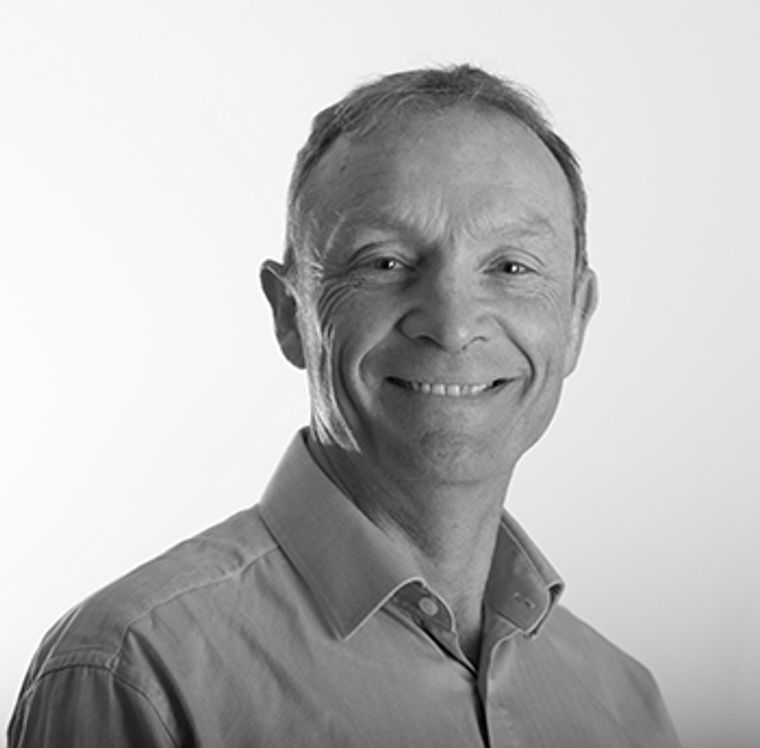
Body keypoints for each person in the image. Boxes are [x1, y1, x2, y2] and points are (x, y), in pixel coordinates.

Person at [8, 65, 682, 747]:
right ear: (290, 312)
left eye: (511, 267)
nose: (452, 326)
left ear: (576, 319)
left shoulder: (627, 706)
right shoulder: (135, 672)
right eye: (384, 262)